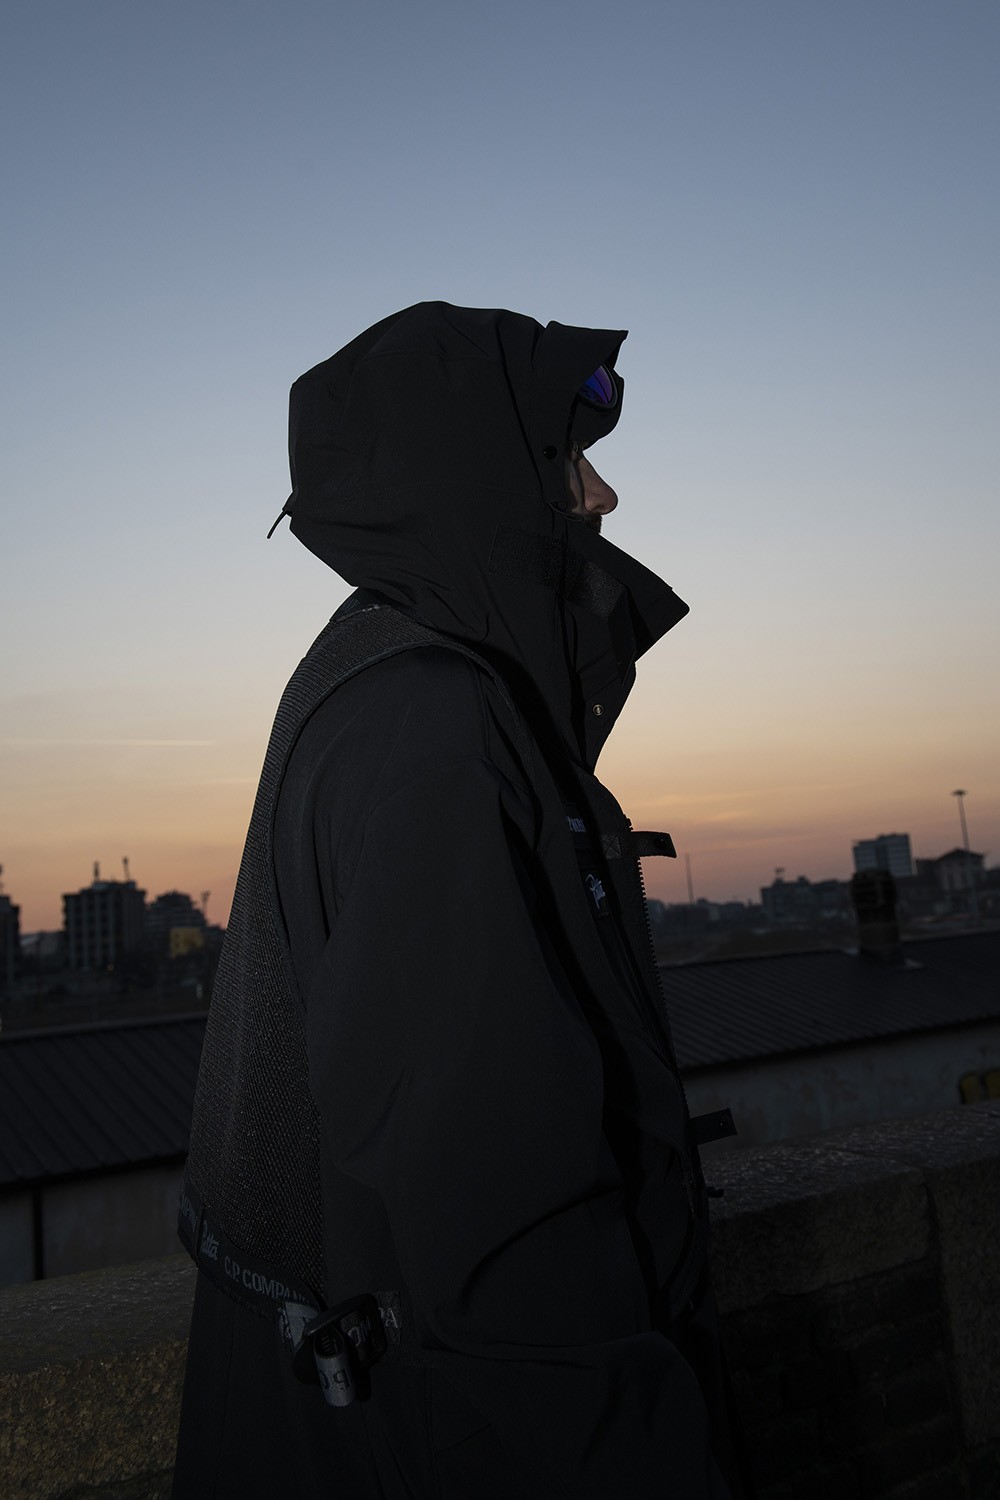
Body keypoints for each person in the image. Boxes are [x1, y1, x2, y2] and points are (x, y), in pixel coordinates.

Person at [173, 301, 745, 1498]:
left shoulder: (374, 678)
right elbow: (500, 1215)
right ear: (478, 475)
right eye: (567, 460)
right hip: (436, 1446)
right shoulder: (430, 726)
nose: (603, 496)